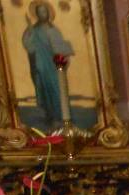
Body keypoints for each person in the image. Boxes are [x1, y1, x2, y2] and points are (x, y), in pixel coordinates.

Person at [22, 1, 74, 129]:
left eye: (44, 12)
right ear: (37, 14)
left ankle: (61, 117)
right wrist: (30, 32)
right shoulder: (33, 30)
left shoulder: (53, 30)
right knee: (46, 90)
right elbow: (29, 45)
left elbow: (60, 45)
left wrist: (65, 52)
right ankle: (51, 116)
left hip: (54, 66)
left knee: (57, 89)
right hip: (42, 65)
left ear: (48, 13)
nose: (42, 14)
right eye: (40, 12)